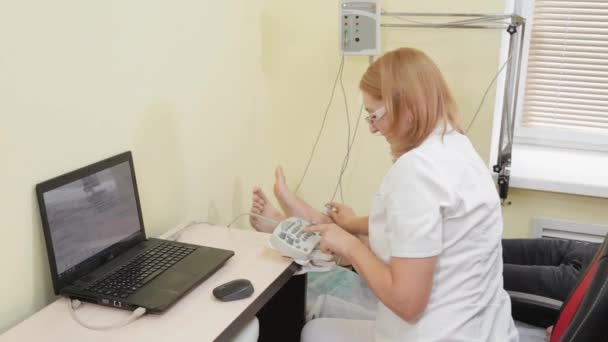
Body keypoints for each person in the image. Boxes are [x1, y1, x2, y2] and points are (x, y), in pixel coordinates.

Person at [251, 47, 518, 342]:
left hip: (441, 332)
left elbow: (407, 303)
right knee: (349, 252)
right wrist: (350, 226)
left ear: (408, 109)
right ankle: (296, 222)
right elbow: (421, 226)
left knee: (315, 329)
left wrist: (351, 247)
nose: (372, 128)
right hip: (486, 330)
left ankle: (290, 224)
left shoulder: (418, 171)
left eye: (373, 115)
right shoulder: (457, 147)